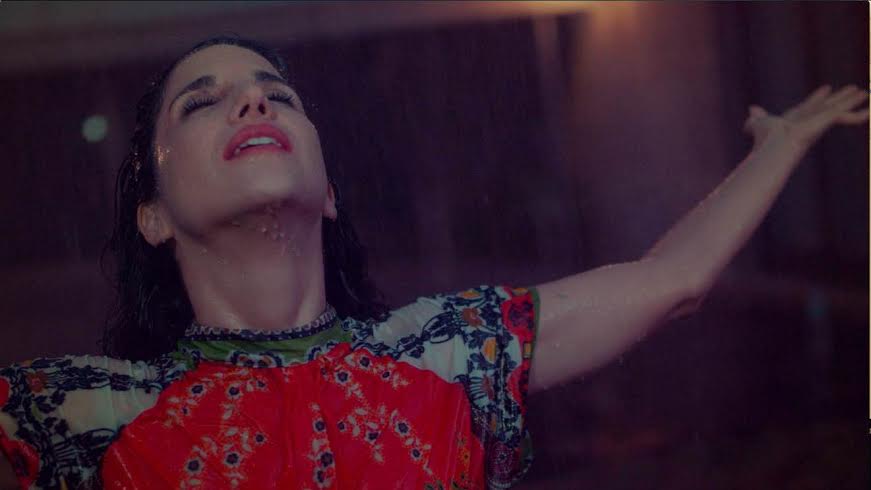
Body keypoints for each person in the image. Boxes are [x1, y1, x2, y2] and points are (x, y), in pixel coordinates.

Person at [0, 34, 866, 490]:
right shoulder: (81, 415)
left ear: (329, 193)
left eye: (276, 93)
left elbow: (673, 283)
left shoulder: (448, 353)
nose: (253, 101)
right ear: (151, 214)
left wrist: (778, 145)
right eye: (203, 102)